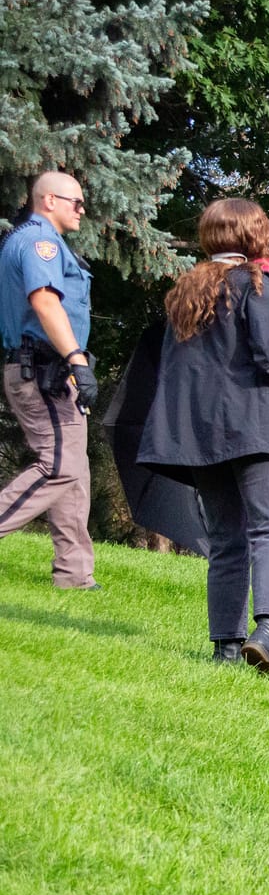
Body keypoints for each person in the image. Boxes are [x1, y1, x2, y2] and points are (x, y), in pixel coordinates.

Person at [138, 198, 269, 677]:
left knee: (226, 537)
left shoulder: (186, 293)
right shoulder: (256, 283)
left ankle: (225, 649)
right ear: (253, 235)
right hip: (255, 426)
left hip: (198, 435)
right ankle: (268, 631)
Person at [0, 172, 100, 589]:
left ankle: (75, 575)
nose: (82, 209)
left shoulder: (44, 242)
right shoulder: (39, 242)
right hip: (42, 370)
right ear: (48, 201)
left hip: (50, 370)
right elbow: (44, 302)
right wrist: (76, 360)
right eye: (75, 202)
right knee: (58, 465)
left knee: (75, 471)